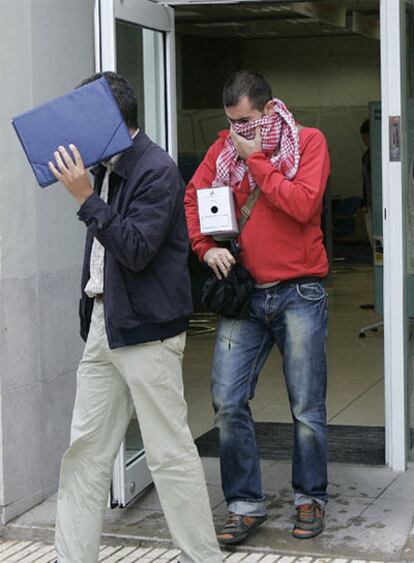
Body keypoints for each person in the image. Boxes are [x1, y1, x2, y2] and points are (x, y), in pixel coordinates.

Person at [48, 71, 222, 563]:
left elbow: (137, 250)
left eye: (84, 115)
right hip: (106, 327)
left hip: (147, 332)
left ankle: (201, 557)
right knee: (84, 453)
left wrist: (86, 200)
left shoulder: (156, 169)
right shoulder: (102, 167)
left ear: (108, 118)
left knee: (169, 454)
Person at [185, 70, 330, 543]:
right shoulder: (223, 150)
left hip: (299, 291)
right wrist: (205, 247)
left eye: (245, 122)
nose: (237, 133)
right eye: (230, 124)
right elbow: (192, 198)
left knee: (306, 405)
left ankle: (310, 499)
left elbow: (303, 204)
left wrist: (259, 162)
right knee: (227, 401)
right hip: (245, 295)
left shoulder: (307, 143)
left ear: (268, 110)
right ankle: (245, 504)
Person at [360, 118, 373, 247]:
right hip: (369, 203)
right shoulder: (367, 155)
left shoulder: (372, 155)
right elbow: (366, 181)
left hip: (373, 203)